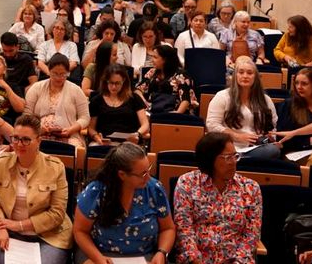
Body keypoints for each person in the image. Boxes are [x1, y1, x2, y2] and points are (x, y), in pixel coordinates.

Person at [0, 114, 73, 263]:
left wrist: (18, 225)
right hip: (10, 233)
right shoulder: (0, 164)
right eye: (15, 138)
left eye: (26, 139)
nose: (19, 144)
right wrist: (1, 228)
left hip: (49, 236)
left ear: (38, 141)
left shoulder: (55, 168)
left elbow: (57, 213)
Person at [73, 142, 175, 263]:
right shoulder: (96, 191)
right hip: (100, 254)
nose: (148, 177)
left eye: (148, 169)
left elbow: (168, 228)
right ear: (122, 175)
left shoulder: (155, 189)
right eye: (142, 174)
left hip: (146, 255)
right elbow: (80, 231)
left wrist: (162, 252)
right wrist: (98, 258)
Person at [174, 132, 261, 263]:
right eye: (227, 158)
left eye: (235, 156)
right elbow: (184, 229)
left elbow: (251, 234)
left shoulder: (251, 188)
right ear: (209, 159)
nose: (233, 163)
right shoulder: (187, 183)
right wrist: (195, 259)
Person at [206, 56, 280, 159]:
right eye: (241, 72)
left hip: (257, 148)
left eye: (249, 73)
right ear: (235, 75)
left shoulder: (266, 99)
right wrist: (238, 136)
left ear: (256, 77)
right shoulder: (222, 96)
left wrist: (270, 137)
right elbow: (212, 125)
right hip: (228, 145)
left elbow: (273, 125)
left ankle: (241, 159)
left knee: (273, 150)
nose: (245, 76)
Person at [25, 54, 90, 147]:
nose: (58, 77)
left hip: (69, 135)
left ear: (68, 72)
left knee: (75, 149)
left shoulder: (76, 90)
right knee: (30, 146)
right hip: (39, 134)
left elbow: (85, 117)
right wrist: (39, 128)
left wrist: (71, 129)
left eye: (63, 74)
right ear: (49, 71)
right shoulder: (36, 87)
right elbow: (27, 114)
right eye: (55, 73)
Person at [89, 65, 150, 144]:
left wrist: (137, 134)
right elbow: (91, 128)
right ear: (106, 81)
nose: (114, 87)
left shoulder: (134, 98)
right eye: (111, 83)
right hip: (104, 142)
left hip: (129, 142)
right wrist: (96, 137)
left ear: (124, 81)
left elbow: (145, 124)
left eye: (117, 83)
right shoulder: (97, 100)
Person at [136, 45, 198, 115]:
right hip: (151, 111)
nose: (152, 60)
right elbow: (138, 90)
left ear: (165, 60)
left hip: (174, 112)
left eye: (155, 57)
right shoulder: (152, 72)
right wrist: (144, 101)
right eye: (152, 57)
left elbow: (186, 99)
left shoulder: (181, 75)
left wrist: (177, 113)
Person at [0, 32, 38, 97]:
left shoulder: (26, 60)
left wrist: (26, 91)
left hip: (18, 93)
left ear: (17, 47)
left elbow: (34, 83)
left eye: (11, 51)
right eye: (5, 51)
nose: (8, 54)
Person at [276, 68, 312, 152]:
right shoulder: (288, 105)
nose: (299, 87)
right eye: (296, 83)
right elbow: (283, 139)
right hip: (297, 152)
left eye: (304, 84)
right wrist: (311, 140)